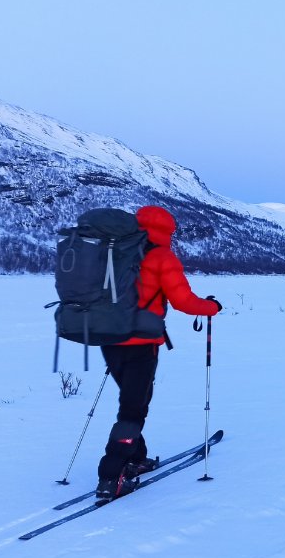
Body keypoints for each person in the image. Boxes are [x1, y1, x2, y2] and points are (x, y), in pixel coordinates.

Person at [95, 205, 222, 502]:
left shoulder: (112, 251)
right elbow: (184, 301)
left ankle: (135, 458)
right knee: (133, 409)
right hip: (141, 344)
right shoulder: (162, 256)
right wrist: (212, 307)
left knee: (131, 402)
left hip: (108, 338)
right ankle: (111, 476)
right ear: (168, 231)